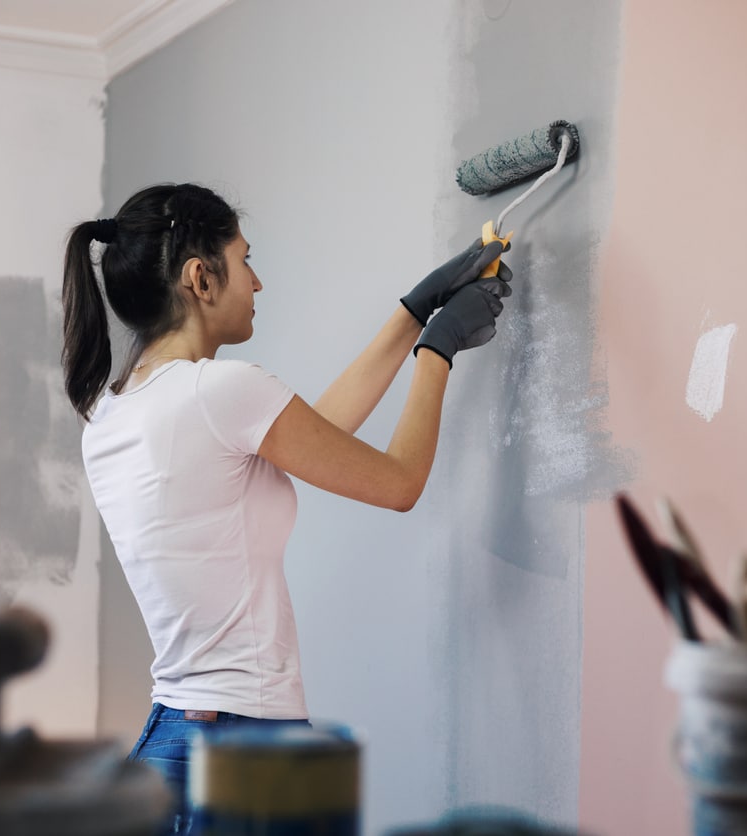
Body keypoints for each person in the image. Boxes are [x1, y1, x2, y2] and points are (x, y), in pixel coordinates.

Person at [61, 183, 511, 833]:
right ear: (200, 279)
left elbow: (316, 436)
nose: (257, 281)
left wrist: (413, 313)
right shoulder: (220, 392)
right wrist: (439, 350)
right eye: (244, 260)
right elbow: (399, 484)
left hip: (171, 744)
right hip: (247, 748)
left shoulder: (111, 412)